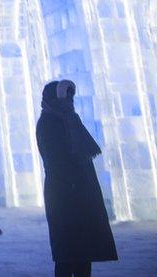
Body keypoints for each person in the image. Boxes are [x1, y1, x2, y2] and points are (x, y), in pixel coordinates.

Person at [37, 80, 117, 277]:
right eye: (65, 97)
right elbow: (56, 160)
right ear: (54, 99)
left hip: (81, 192)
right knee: (67, 252)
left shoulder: (69, 119)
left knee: (82, 250)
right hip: (64, 194)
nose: (70, 101)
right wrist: (73, 184)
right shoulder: (49, 122)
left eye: (71, 97)